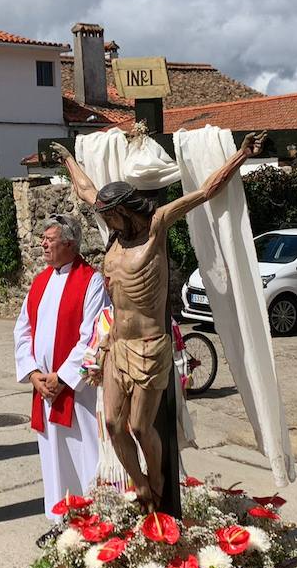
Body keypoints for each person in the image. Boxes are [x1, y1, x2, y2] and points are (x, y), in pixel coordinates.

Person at [50, 134, 263, 512]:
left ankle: (159, 483)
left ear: (126, 210)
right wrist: (68, 159)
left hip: (149, 346)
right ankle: (142, 485)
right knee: (114, 426)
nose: (104, 219)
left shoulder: (157, 226)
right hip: (117, 345)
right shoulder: (114, 238)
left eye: (110, 214)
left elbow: (206, 190)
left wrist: (242, 154)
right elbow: (86, 190)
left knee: (138, 426)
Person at [14, 214, 108, 537]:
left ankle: (94, 523)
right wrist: (34, 374)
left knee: (83, 454)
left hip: (76, 393)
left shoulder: (91, 281)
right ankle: (59, 524)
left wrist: (62, 377)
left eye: (49, 238)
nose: (42, 243)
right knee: (51, 458)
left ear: (69, 243)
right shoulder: (40, 282)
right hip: (45, 391)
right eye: (43, 238)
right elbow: (22, 330)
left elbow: (93, 335)